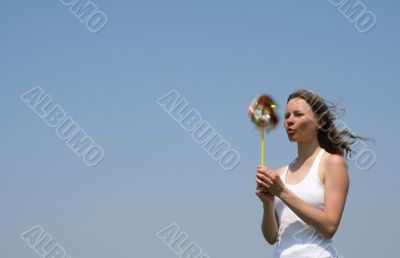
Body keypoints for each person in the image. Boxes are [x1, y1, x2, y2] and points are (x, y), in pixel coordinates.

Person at [255, 89, 368, 258]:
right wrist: (268, 204)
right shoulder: (280, 173)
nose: (289, 121)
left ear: (320, 122)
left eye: (298, 114)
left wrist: (282, 192)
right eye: (287, 116)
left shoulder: (332, 163)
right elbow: (271, 237)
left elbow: (329, 227)